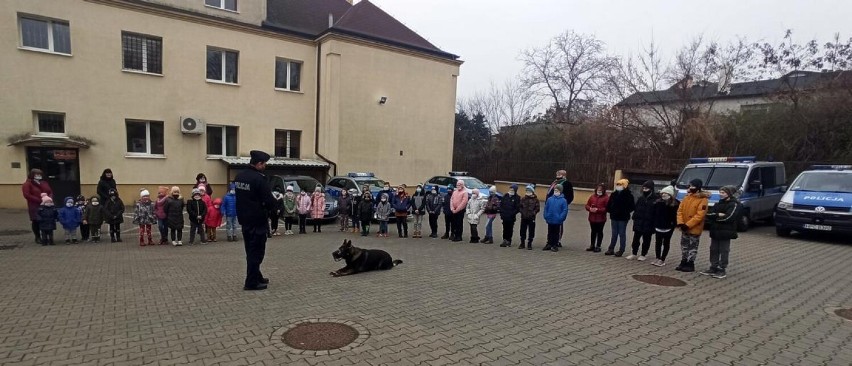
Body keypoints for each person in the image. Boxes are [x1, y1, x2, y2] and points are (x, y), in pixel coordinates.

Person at [234, 150, 278, 291]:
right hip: (258, 220)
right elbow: (268, 199)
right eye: (264, 164)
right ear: (259, 163)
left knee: (250, 250)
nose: (265, 166)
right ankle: (251, 282)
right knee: (257, 252)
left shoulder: (240, 177)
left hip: (245, 220)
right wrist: (276, 208)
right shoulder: (259, 179)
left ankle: (256, 275)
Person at [700, 185, 740, 279]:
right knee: (713, 249)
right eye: (720, 192)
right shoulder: (718, 203)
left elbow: (729, 217)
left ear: (729, 193)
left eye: (723, 193)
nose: (721, 194)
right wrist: (718, 215)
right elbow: (709, 214)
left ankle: (722, 268)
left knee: (724, 250)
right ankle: (713, 267)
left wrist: (716, 218)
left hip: (726, 232)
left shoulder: (734, 204)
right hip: (715, 231)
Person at [675, 179, 710, 272]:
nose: (691, 188)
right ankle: (683, 261)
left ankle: (690, 263)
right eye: (690, 186)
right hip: (684, 227)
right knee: (684, 245)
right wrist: (681, 223)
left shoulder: (703, 200)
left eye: (693, 186)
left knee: (693, 246)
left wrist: (688, 224)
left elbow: (700, 215)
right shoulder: (687, 197)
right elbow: (680, 211)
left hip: (694, 228)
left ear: (698, 187)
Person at [627, 181, 658, 261]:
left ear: (651, 189)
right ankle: (634, 253)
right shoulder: (641, 198)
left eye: (646, 188)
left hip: (649, 223)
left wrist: (654, 224)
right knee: (636, 239)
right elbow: (636, 209)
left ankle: (643, 254)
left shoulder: (655, 200)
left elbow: (656, 213)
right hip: (639, 222)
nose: (644, 190)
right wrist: (635, 218)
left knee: (646, 240)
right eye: (643, 188)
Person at [22, 168, 53, 244]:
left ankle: (46, 236)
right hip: (34, 205)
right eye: (37, 174)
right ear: (32, 175)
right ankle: (37, 237)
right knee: (36, 221)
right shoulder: (27, 184)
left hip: (46, 205)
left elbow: (50, 191)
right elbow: (27, 195)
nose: (39, 176)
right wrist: (40, 200)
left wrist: (49, 199)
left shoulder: (44, 182)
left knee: (45, 220)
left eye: (40, 174)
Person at [605, 179, 634, 257]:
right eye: (617, 184)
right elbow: (609, 204)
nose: (618, 186)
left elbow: (632, 206)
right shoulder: (613, 194)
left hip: (623, 217)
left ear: (624, 186)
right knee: (614, 233)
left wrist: (624, 211)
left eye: (620, 184)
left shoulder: (629, 195)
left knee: (622, 233)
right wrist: (610, 210)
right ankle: (611, 249)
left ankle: (621, 249)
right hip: (614, 216)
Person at [651, 186, 680, 267]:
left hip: (668, 227)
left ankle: (662, 259)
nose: (663, 195)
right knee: (658, 242)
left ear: (670, 195)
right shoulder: (658, 202)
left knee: (666, 243)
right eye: (663, 193)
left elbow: (675, 216)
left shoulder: (674, 204)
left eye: (666, 193)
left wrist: (673, 224)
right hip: (658, 226)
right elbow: (654, 214)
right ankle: (657, 257)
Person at [546, 170, 574, 247]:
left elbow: (570, 196)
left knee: (558, 226)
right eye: (557, 174)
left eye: (559, 174)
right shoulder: (555, 182)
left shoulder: (566, 183)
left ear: (564, 175)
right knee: (550, 226)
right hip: (551, 206)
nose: (557, 175)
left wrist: (563, 203)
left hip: (559, 208)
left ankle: (557, 241)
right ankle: (549, 241)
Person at [543, 184, 568, 252]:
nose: (556, 191)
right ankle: (549, 243)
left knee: (556, 233)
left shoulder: (563, 200)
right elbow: (546, 208)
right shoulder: (550, 199)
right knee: (550, 232)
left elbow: (564, 210)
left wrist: (561, 218)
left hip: (557, 220)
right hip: (550, 219)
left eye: (557, 190)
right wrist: (546, 215)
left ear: (560, 191)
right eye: (555, 190)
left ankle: (555, 245)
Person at [585, 184, 609, 252]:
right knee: (593, 231)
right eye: (598, 189)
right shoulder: (592, 197)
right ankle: (592, 245)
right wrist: (590, 208)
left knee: (599, 232)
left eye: (601, 190)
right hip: (592, 218)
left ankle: (598, 246)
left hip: (601, 218)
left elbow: (607, 208)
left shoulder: (606, 198)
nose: (599, 191)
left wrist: (598, 210)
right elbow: (587, 205)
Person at [519, 184, 540, 250]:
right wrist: (522, 212)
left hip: (531, 218)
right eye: (527, 190)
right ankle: (522, 243)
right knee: (522, 231)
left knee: (531, 231)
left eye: (529, 191)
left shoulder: (536, 200)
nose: (528, 192)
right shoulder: (523, 199)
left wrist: (533, 213)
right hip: (524, 217)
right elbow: (520, 207)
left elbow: (537, 208)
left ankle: (529, 243)